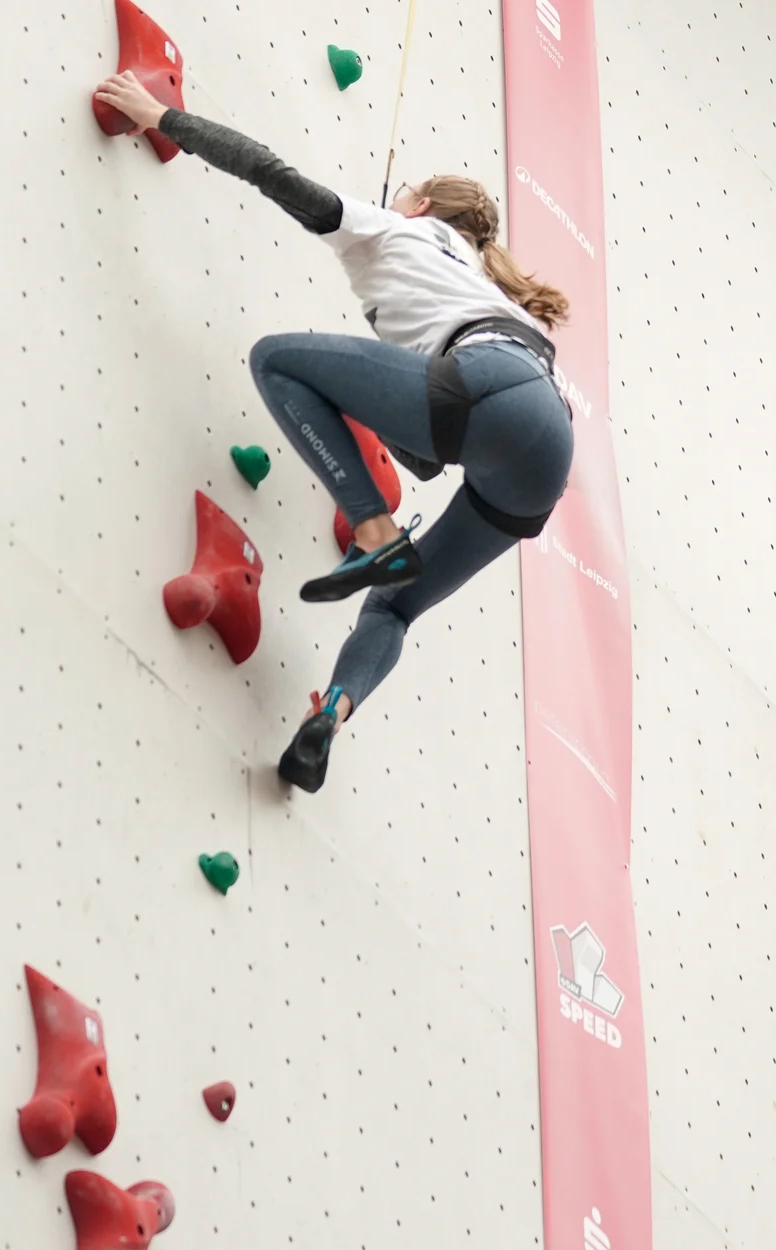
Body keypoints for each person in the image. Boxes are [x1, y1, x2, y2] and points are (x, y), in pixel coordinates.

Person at [93, 72, 575, 793]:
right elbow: (426, 456)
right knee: (393, 605)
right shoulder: (485, 285)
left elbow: (267, 171)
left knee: (276, 360)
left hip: (488, 393)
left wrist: (164, 116)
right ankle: (329, 719)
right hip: (542, 461)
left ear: (416, 202)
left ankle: (375, 536)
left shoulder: (397, 227)